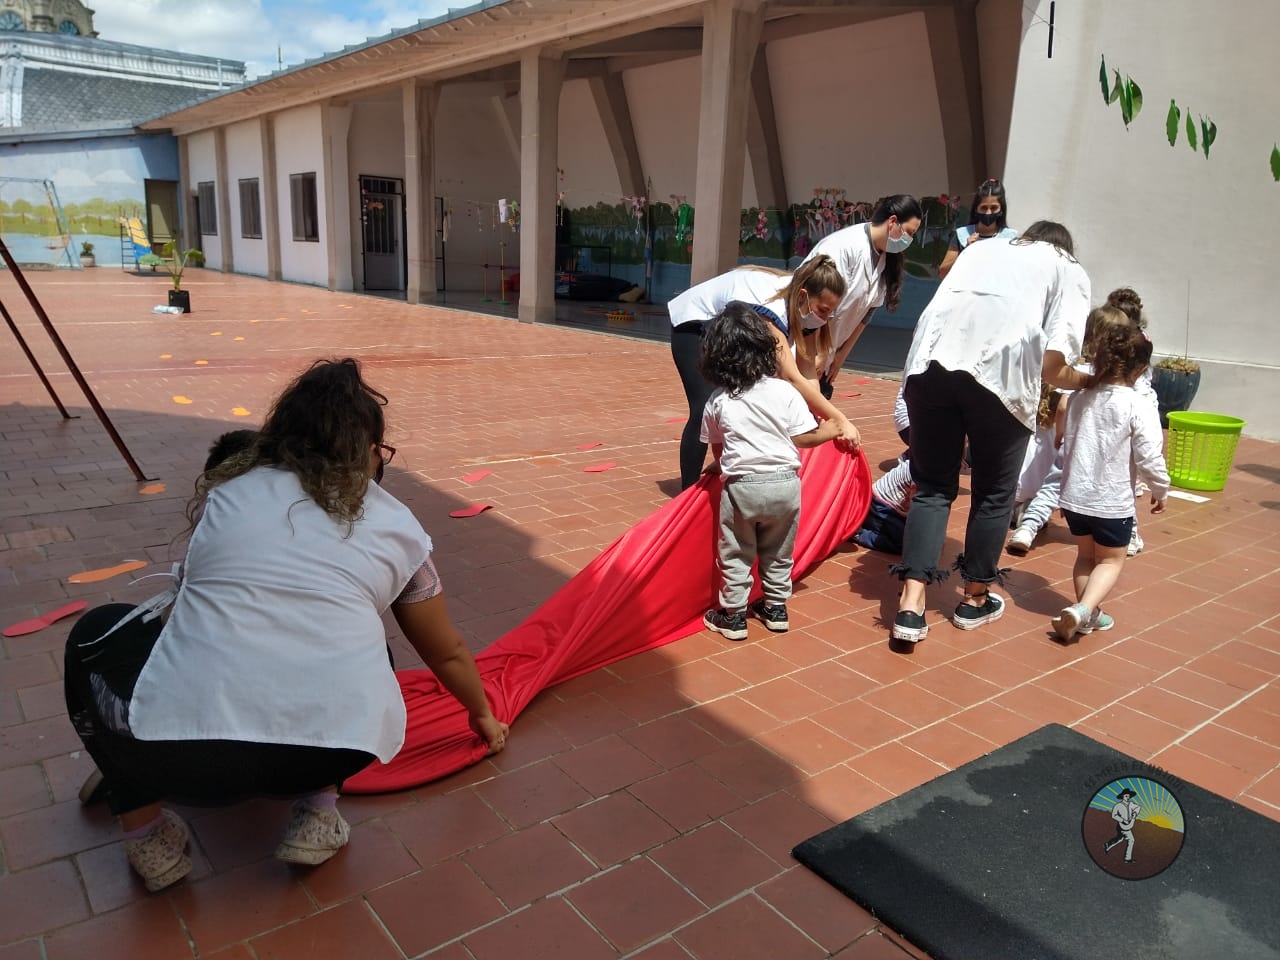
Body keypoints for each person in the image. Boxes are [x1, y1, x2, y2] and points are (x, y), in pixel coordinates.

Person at [62, 358, 508, 892]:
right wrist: (483, 715)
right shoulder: (398, 527)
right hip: (336, 748)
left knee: (96, 634)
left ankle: (146, 832)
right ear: (368, 451)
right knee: (373, 650)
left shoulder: (227, 494)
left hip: (182, 760)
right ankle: (318, 813)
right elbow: (448, 651)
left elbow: (190, 615)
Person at [889, 221, 1093, 644]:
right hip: (1000, 380)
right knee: (993, 494)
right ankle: (975, 599)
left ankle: (910, 607)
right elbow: (1053, 366)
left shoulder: (981, 249)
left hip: (929, 368)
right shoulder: (1068, 267)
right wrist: (1092, 381)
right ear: (1065, 248)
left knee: (932, 487)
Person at [698, 303, 843, 640]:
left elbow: (721, 452)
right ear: (766, 348)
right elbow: (804, 438)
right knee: (779, 551)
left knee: (736, 551)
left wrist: (721, 467)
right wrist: (832, 429)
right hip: (786, 486)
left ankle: (734, 616)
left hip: (743, 488)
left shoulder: (719, 401)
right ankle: (776, 609)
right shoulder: (783, 392)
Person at [668, 256, 860, 489]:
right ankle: (688, 491)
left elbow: (808, 373)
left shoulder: (806, 310)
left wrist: (815, 420)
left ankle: (730, 461)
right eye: (823, 310)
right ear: (803, 296)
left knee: (755, 392)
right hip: (695, 324)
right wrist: (839, 420)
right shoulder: (772, 308)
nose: (824, 318)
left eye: (830, 313)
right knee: (705, 406)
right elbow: (791, 376)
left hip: (735, 328)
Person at [1052, 318, 1169, 640]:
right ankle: (1083, 609)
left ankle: (1088, 615)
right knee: (1112, 560)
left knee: (1085, 557)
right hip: (1111, 501)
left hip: (1074, 497)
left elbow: (1070, 441)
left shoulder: (1078, 398)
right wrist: (1161, 488)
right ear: (1140, 369)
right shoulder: (1138, 404)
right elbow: (1149, 454)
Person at [800, 195, 923, 400]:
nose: (908, 241)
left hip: (827, 354)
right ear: (892, 221)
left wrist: (839, 358)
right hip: (806, 346)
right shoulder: (844, 247)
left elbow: (866, 316)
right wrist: (819, 352)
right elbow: (817, 304)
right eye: (908, 233)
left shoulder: (885, 259)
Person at [937, 179, 1018, 280]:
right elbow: (943, 273)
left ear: (1001, 209)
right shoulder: (962, 235)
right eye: (983, 208)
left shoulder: (1011, 238)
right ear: (976, 209)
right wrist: (966, 252)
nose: (988, 213)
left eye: (994, 208)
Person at [1104, 788, 1141, 862]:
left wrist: (1135, 813)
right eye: (1126, 796)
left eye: (1128, 796)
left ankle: (1108, 845)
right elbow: (1114, 815)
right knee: (1131, 840)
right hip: (1121, 826)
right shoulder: (1118, 805)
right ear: (1122, 796)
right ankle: (1127, 859)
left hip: (1128, 825)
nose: (1127, 797)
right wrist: (1123, 820)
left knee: (1120, 838)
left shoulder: (1131, 804)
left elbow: (1138, 807)